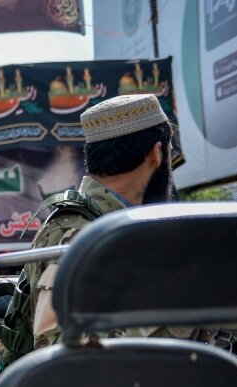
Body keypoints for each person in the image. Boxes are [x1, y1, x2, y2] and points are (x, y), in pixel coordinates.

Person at [25, 94, 180, 351]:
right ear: (157, 152)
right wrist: (180, 317)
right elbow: (60, 348)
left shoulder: (121, 227)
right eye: (170, 150)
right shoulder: (76, 232)